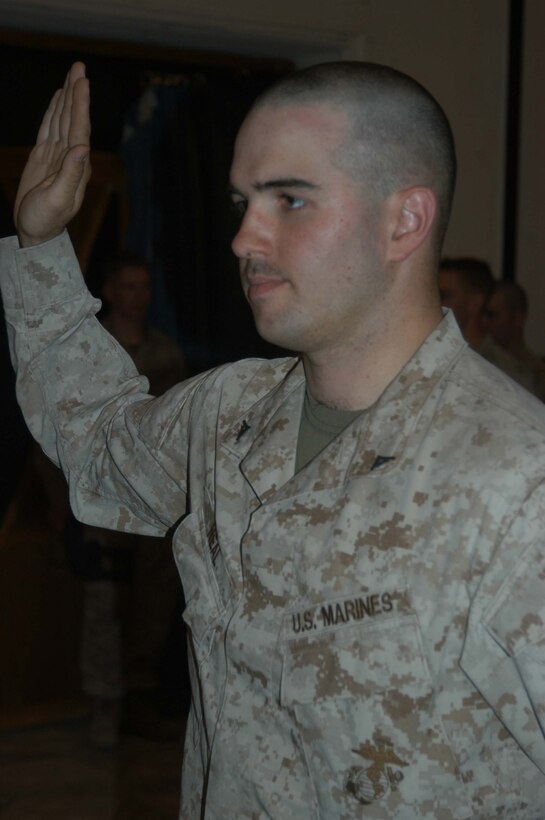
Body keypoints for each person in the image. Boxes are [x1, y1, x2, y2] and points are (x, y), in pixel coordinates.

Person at [2, 61, 545, 818]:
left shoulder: (517, 482)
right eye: (242, 202)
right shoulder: (228, 415)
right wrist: (42, 246)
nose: (243, 238)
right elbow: (95, 445)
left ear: (404, 222)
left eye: (289, 199)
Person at [71, 250, 188, 748]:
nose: (138, 297)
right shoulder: (94, 351)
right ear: (111, 291)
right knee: (103, 604)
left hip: (153, 500)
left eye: (146, 287)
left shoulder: (166, 351)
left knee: (153, 605)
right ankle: (103, 705)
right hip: (99, 498)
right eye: (129, 287)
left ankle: (138, 702)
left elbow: (179, 423)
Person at [438, 256, 538, 392]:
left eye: (445, 296)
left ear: (474, 303)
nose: (436, 303)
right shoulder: (440, 354)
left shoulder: (503, 371)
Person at [484, 279, 545, 401]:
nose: (486, 322)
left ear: (518, 317)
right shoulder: (481, 355)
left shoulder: (536, 371)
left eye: (493, 314)